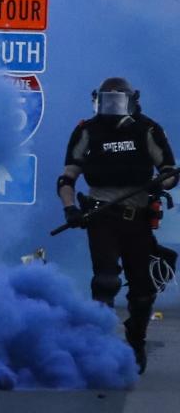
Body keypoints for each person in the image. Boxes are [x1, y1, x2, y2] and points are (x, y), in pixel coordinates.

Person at [57, 77, 177, 373]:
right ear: (97, 100)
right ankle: (98, 347)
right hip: (101, 216)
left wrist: (161, 181)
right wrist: (70, 208)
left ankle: (136, 340)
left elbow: (170, 172)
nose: (111, 107)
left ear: (132, 100)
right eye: (106, 101)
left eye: (117, 101)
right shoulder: (87, 131)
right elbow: (67, 177)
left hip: (137, 218)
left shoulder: (147, 129)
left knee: (143, 290)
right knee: (105, 280)